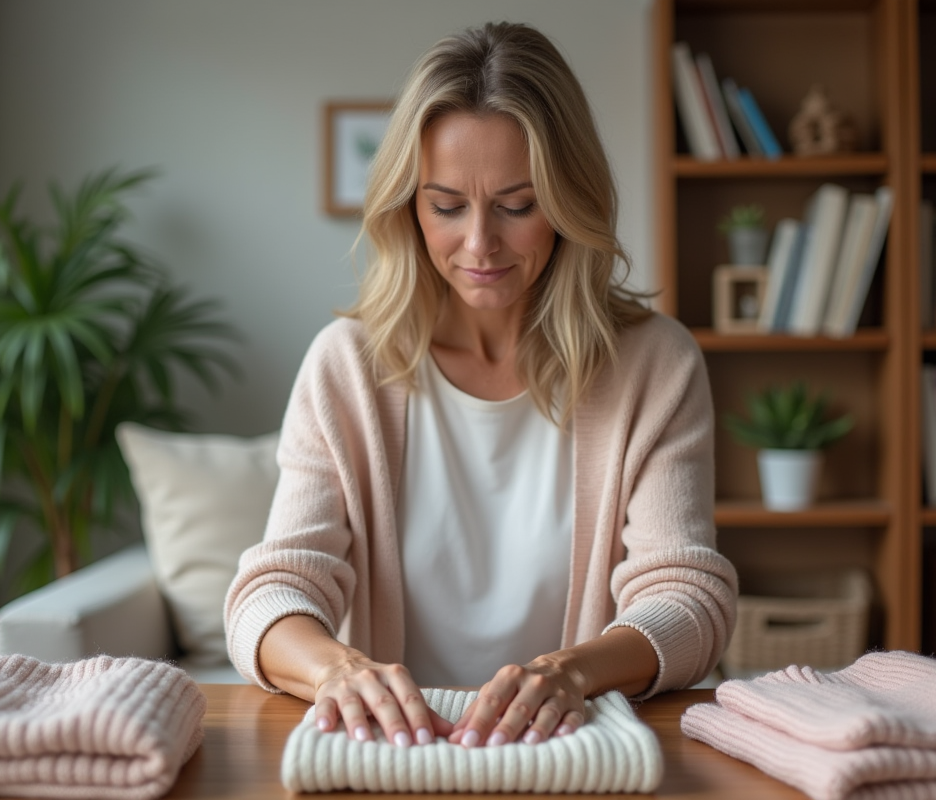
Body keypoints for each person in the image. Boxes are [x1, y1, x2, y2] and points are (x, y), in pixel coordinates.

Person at [224, 21, 737, 750]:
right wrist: (338, 669)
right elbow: (269, 595)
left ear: (568, 201)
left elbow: (689, 601)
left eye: (517, 205)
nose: (478, 245)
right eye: (446, 205)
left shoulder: (655, 364)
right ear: (408, 205)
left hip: (573, 749)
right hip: (401, 755)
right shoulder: (348, 366)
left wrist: (568, 675)